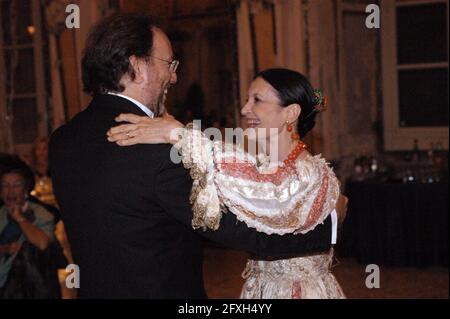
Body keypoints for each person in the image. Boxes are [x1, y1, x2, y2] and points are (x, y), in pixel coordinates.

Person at [49, 13, 343, 299]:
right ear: (137, 67)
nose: (174, 77)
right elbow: (240, 232)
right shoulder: (161, 151)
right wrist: (329, 225)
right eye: (169, 64)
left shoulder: (62, 140)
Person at [107, 68, 346, 298]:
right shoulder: (258, 166)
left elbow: (269, 193)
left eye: (257, 100)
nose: (244, 109)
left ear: (290, 113)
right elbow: (238, 180)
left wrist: (179, 134)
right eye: (246, 99)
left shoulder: (309, 173)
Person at [0, 160, 61, 298]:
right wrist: (5, 248)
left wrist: (20, 219)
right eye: (5, 185)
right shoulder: (1, 214)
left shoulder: (41, 214)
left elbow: (42, 243)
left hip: (31, 289)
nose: (10, 191)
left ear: (26, 189)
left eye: (16, 185)